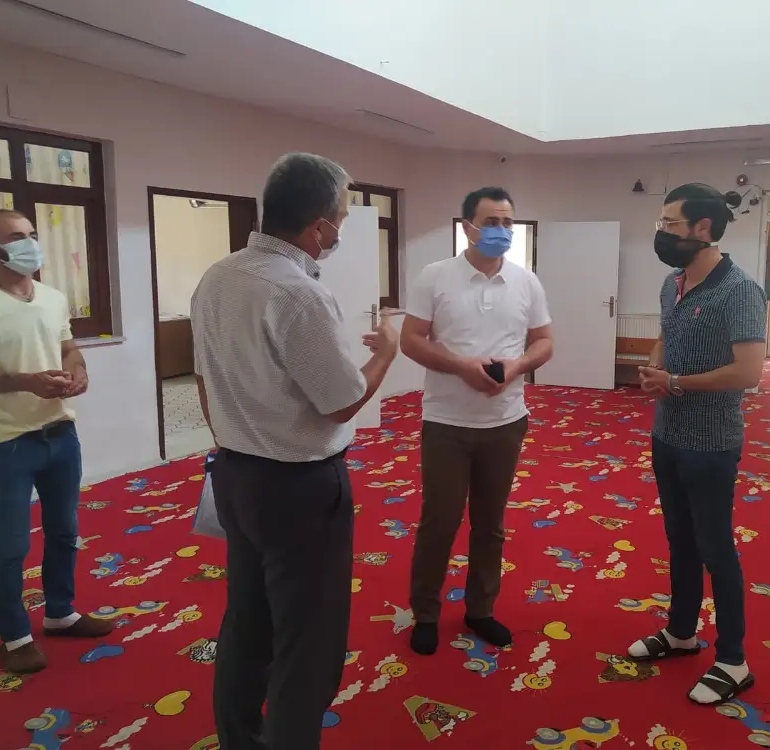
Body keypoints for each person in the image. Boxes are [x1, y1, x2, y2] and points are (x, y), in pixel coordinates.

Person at [191, 153, 399, 750]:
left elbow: (203, 381)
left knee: (247, 621)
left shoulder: (217, 277)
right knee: (308, 643)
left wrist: (237, 438)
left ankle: (239, 738)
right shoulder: (298, 294)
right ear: (318, 227)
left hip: (235, 475)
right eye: (341, 218)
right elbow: (342, 402)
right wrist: (387, 350)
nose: (340, 231)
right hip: (299, 488)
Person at [627, 184, 767, 705]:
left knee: (715, 547)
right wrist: (656, 366)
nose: (661, 234)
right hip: (666, 434)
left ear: (702, 228)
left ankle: (733, 660)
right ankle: (681, 632)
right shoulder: (674, 283)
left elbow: (749, 372)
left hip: (710, 442)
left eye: (669, 224)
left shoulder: (740, 290)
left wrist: (677, 382)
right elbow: (666, 334)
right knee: (679, 539)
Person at [401, 187, 553, 656]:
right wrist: (462, 367)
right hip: (446, 422)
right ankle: (426, 613)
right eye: (490, 222)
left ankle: (480, 609)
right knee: (439, 522)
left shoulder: (526, 282)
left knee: (490, 525)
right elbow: (411, 339)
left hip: (505, 422)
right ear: (468, 227)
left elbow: (544, 341)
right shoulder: (435, 276)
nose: (500, 231)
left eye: (507, 223)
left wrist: (517, 366)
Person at [0, 208, 114, 675]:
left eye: (31, 234)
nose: (28, 244)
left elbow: (67, 347)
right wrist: (25, 381)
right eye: (15, 237)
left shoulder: (53, 297)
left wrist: (79, 370)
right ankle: (15, 637)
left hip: (60, 433)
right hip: (5, 441)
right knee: (10, 546)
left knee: (64, 530)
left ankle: (60, 613)